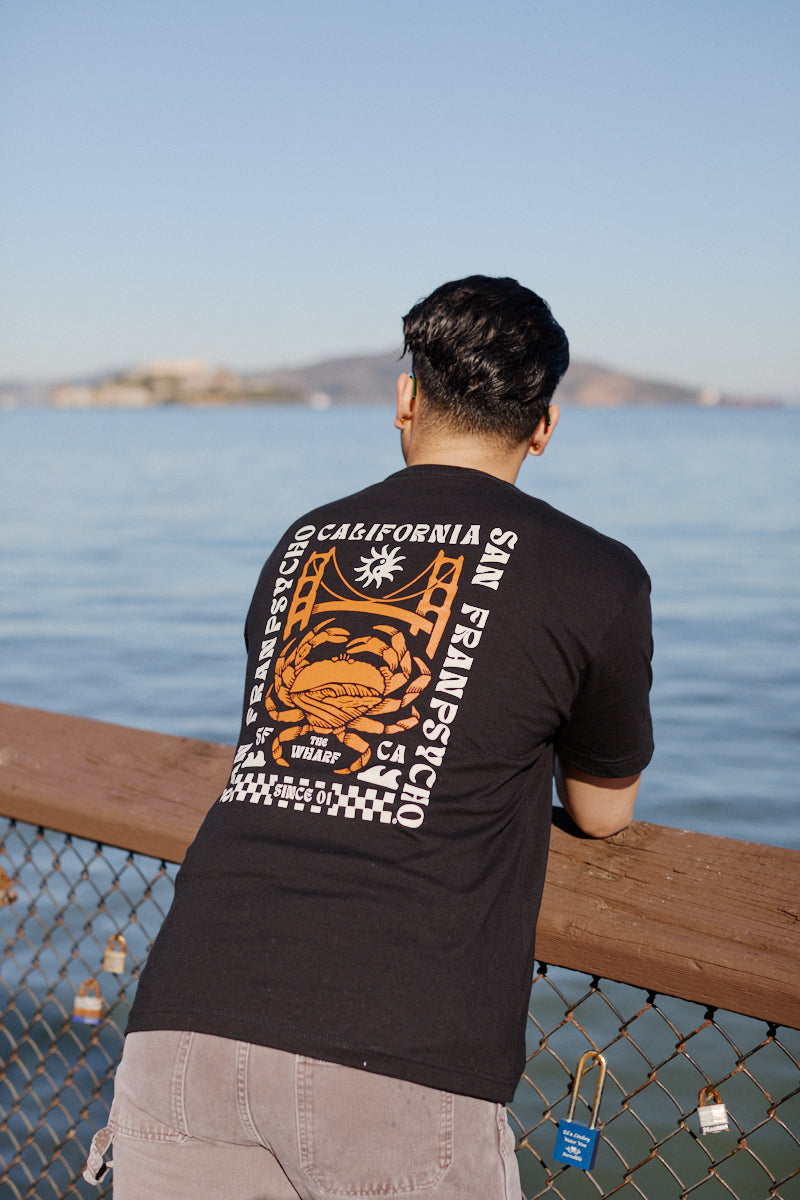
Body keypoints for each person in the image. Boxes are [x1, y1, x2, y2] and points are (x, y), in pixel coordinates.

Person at [85, 275, 653, 1200]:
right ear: (543, 424)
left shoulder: (307, 540)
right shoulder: (599, 575)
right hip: (403, 1049)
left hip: (189, 1010)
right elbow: (601, 809)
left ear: (405, 398)